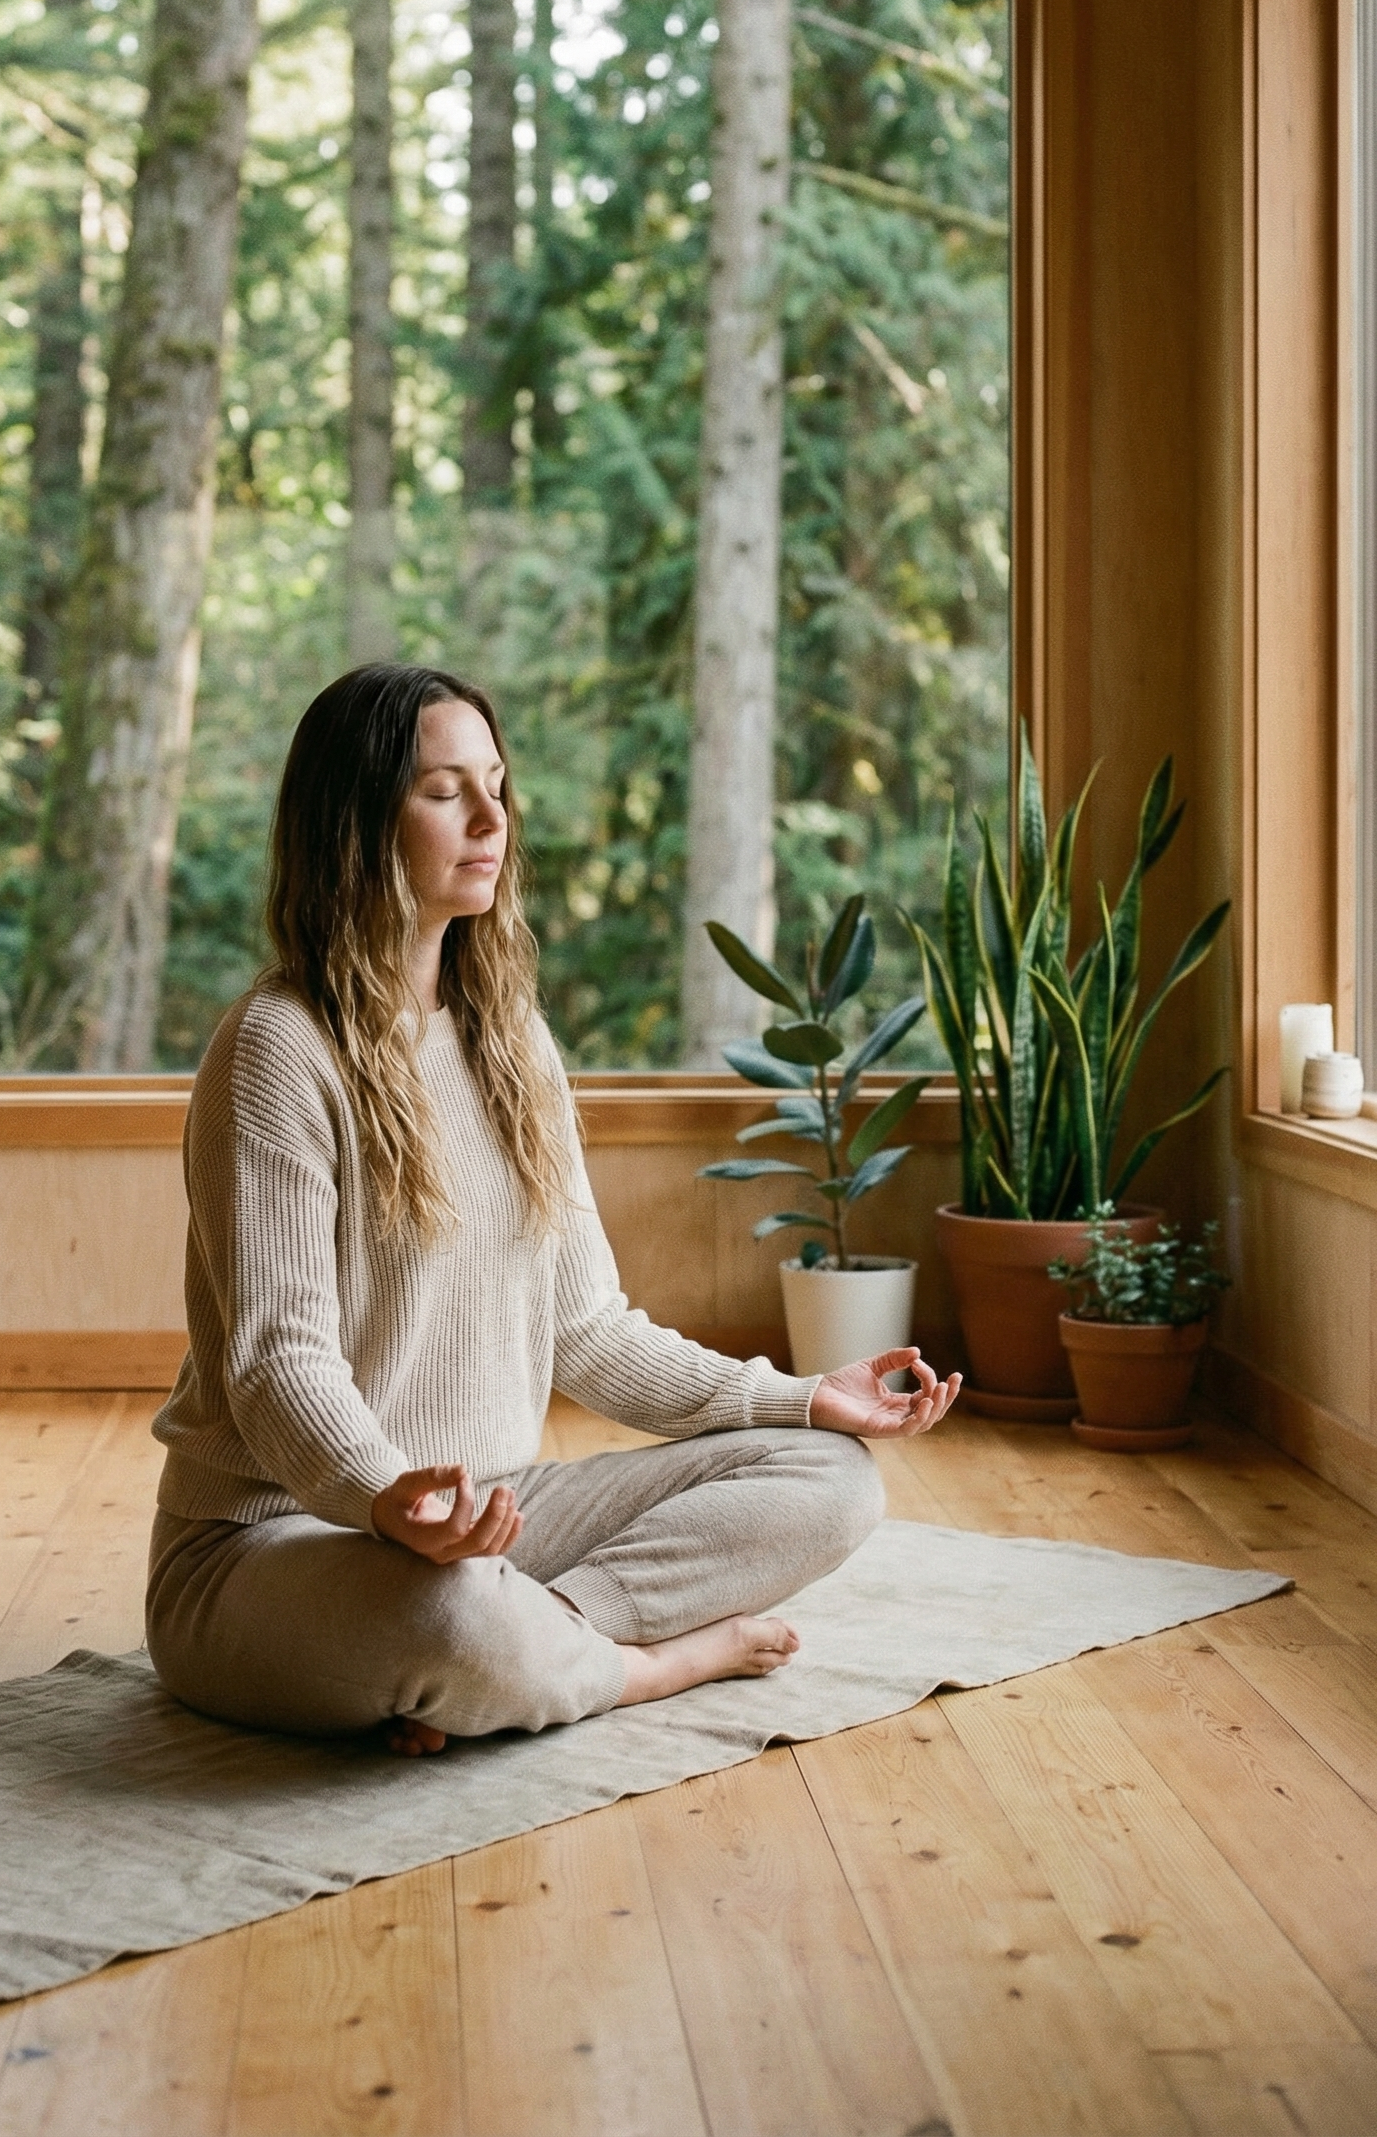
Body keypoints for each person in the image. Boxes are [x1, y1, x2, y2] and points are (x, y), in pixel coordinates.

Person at [147, 663, 960, 1755]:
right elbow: (276, 1365)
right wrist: (389, 1501)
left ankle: (523, 1659)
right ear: (353, 822)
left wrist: (807, 1396)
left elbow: (589, 1332)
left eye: (496, 785)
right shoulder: (277, 1048)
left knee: (831, 1480)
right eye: (444, 792)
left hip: (490, 1520)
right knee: (445, 1614)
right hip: (267, 1544)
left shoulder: (511, 1041)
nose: (491, 820)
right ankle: (634, 1667)